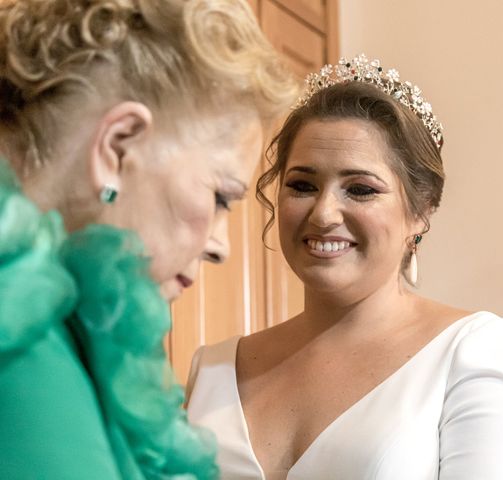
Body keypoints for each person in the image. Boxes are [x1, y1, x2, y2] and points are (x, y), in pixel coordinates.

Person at [186, 54, 503, 479]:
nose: (324, 213)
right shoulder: (213, 371)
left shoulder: (478, 356)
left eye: (361, 189)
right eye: (302, 185)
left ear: (420, 211)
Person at [0, 0, 297, 479]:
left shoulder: (79, 336)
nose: (220, 246)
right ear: (117, 147)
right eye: (221, 197)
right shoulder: (25, 355)